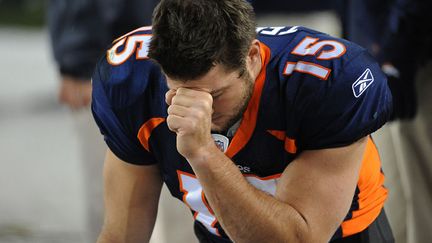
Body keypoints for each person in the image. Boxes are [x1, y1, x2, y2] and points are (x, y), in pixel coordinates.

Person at [91, 0, 395, 242]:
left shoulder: (327, 82)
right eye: (179, 93)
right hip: (217, 233)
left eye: (215, 93)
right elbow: (122, 235)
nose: (201, 110)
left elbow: (300, 238)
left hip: (343, 234)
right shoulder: (131, 81)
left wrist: (204, 153)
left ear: (252, 56)